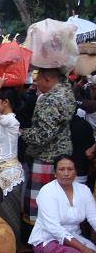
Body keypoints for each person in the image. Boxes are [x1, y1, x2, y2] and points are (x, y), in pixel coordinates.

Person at [21, 68, 76, 224]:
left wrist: (22, 133)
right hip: (63, 154)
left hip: (45, 156)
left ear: (47, 79)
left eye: (38, 79)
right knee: (58, 199)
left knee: (41, 202)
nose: (35, 83)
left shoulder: (49, 99)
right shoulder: (67, 92)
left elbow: (42, 135)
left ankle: (42, 237)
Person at [28, 155, 96, 253]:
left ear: (76, 172)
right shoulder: (47, 191)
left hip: (75, 237)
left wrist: (85, 248)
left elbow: (94, 218)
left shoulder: (84, 190)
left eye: (70, 169)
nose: (66, 173)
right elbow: (54, 228)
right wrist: (83, 248)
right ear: (54, 173)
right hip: (47, 239)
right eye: (61, 169)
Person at [0, 77, 24, 244]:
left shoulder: (11, 121)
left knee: (9, 216)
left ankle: (10, 249)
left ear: (5, 102)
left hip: (9, 175)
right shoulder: (3, 121)